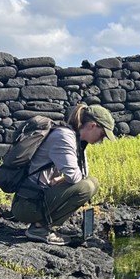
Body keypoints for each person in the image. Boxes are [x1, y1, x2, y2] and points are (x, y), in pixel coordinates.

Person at [11, 104, 116, 245]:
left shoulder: (77, 139)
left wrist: (61, 179)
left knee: (92, 182)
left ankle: (45, 226)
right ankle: (39, 229)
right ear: (92, 125)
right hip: (27, 205)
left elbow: (83, 174)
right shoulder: (64, 137)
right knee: (85, 187)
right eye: (102, 134)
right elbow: (75, 178)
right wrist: (64, 179)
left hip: (37, 199)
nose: (101, 140)